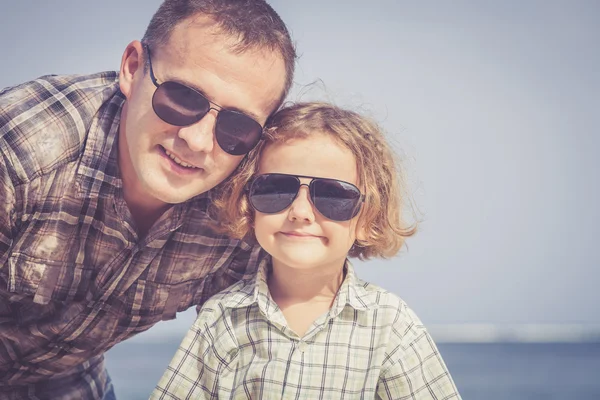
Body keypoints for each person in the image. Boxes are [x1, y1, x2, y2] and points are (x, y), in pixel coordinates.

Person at [0, 1, 295, 399]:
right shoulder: (19, 151)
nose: (197, 141)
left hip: (67, 381)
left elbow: (259, 358)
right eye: (183, 99)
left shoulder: (241, 211)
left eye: (237, 125)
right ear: (133, 68)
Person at [152, 102, 462, 399]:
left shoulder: (390, 324)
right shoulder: (221, 318)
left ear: (368, 217)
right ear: (248, 202)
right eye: (276, 189)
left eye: (332, 196)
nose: (300, 212)